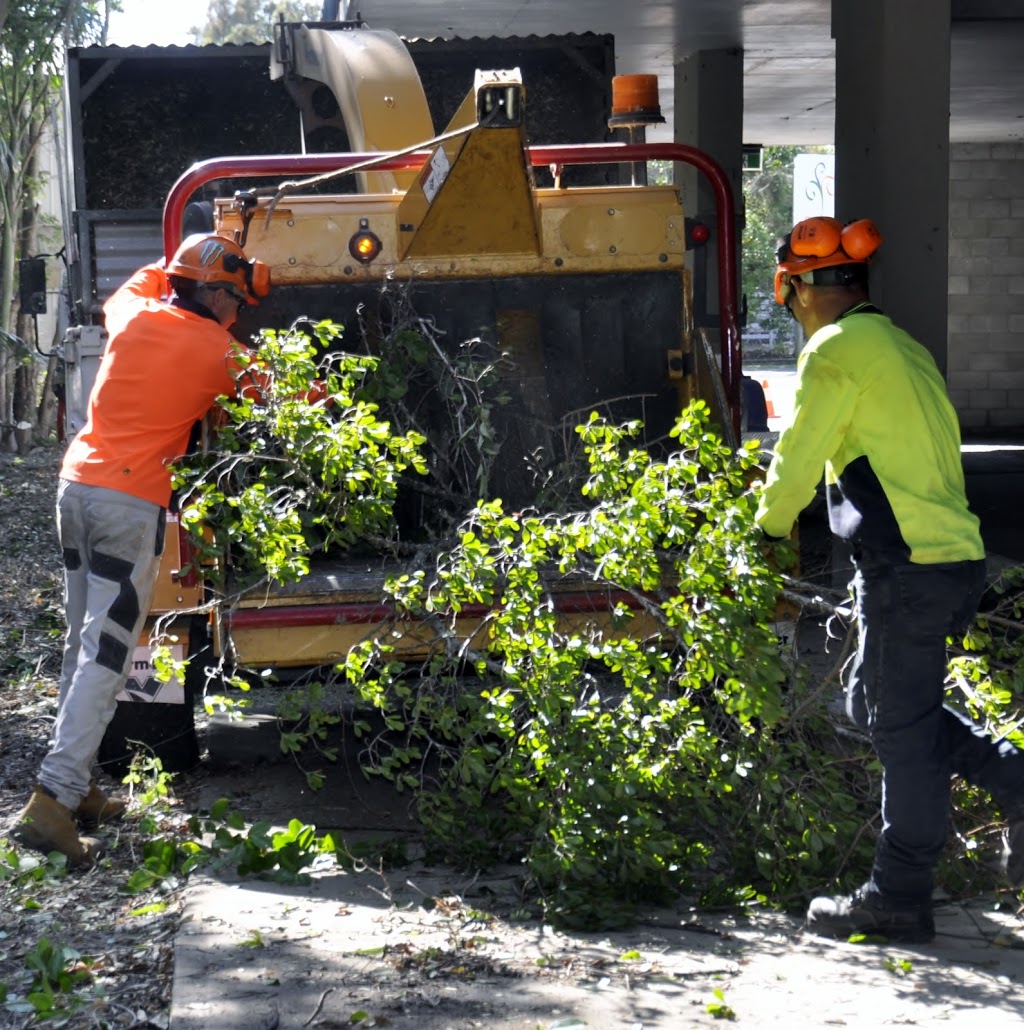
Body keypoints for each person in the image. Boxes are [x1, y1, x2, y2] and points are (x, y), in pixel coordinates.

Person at [755, 216, 1024, 942]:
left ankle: (898, 895)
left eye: (786, 295)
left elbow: (798, 457)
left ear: (800, 291)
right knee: (876, 706)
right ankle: (1015, 781)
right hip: (950, 558)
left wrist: (762, 533)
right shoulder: (900, 345)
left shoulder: (835, 350)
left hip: (910, 566)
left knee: (900, 732)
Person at [14, 233, 271, 866]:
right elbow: (293, 401)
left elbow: (148, 278)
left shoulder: (131, 311)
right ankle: (53, 802)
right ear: (213, 294)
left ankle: (79, 786)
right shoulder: (219, 351)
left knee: (83, 640)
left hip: (76, 489)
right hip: (128, 505)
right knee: (108, 652)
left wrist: (197, 254)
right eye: (236, 302)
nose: (238, 316)